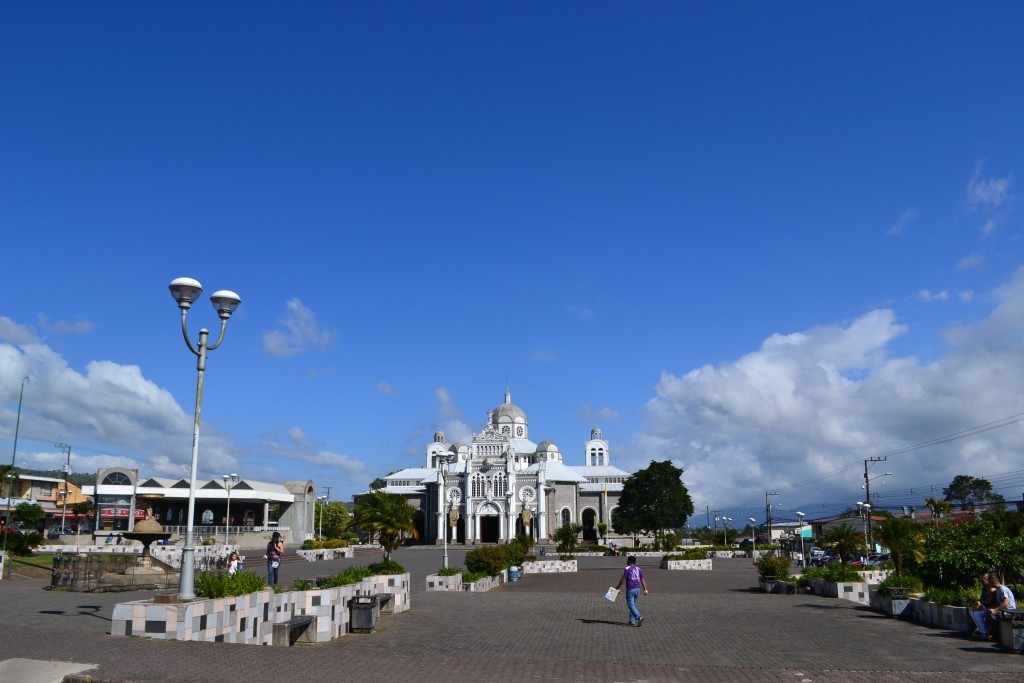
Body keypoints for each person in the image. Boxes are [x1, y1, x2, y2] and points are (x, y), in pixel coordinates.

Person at [615, 555, 648, 627]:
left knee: (631, 605)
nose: (626, 561)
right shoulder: (639, 569)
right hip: (637, 590)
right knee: (633, 605)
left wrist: (617, 587)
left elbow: (623, 579)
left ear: (630, 561)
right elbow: (642, 579)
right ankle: (631, 620)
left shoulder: (627, 569)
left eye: (627, 560)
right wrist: (645, 589)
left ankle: (639, 617)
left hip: (630, 590)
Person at [983, 572, 1017, 639]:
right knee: (987, 613)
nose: (988, 584)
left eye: (990, 582)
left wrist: (995, 610)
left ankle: (997, 635)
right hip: (1003, 609)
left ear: (993, 583)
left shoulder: (1002, 589)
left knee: (991, 616)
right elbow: (999, 603)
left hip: (1009, 610)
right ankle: (994, 632)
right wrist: (991, 608)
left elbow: (1005, 603)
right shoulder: (998, 590)